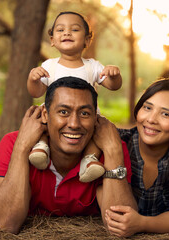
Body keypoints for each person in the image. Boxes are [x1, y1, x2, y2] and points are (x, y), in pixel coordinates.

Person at [0, 77, 137, 234]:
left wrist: (113, 152)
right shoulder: (14, 143)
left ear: (96, 118)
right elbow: (6, 223)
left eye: (85, 113)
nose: (74, 124)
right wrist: (22, 147)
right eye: (63, 112)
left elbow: (120, 225)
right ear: (45, 114)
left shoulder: (110, 147)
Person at [100, 79, 169, 237]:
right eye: (147, 108)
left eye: (165, 114)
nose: (151, 119)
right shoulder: (120, 142)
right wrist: (113, 152)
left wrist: (142, 223)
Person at [27, 11, 122, 183]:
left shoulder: (92, 66)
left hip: (85, 116)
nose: (67, 33)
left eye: (74, 29)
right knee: (40, 121)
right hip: (55, 116)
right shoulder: (50, 65)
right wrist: (33, 79)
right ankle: (41, 147)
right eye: (60, 29)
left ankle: (89, 160)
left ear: (87, 40)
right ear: (52, 40)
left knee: (98, 129)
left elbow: (112, 86)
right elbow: (36, 92)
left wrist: (114, 76)